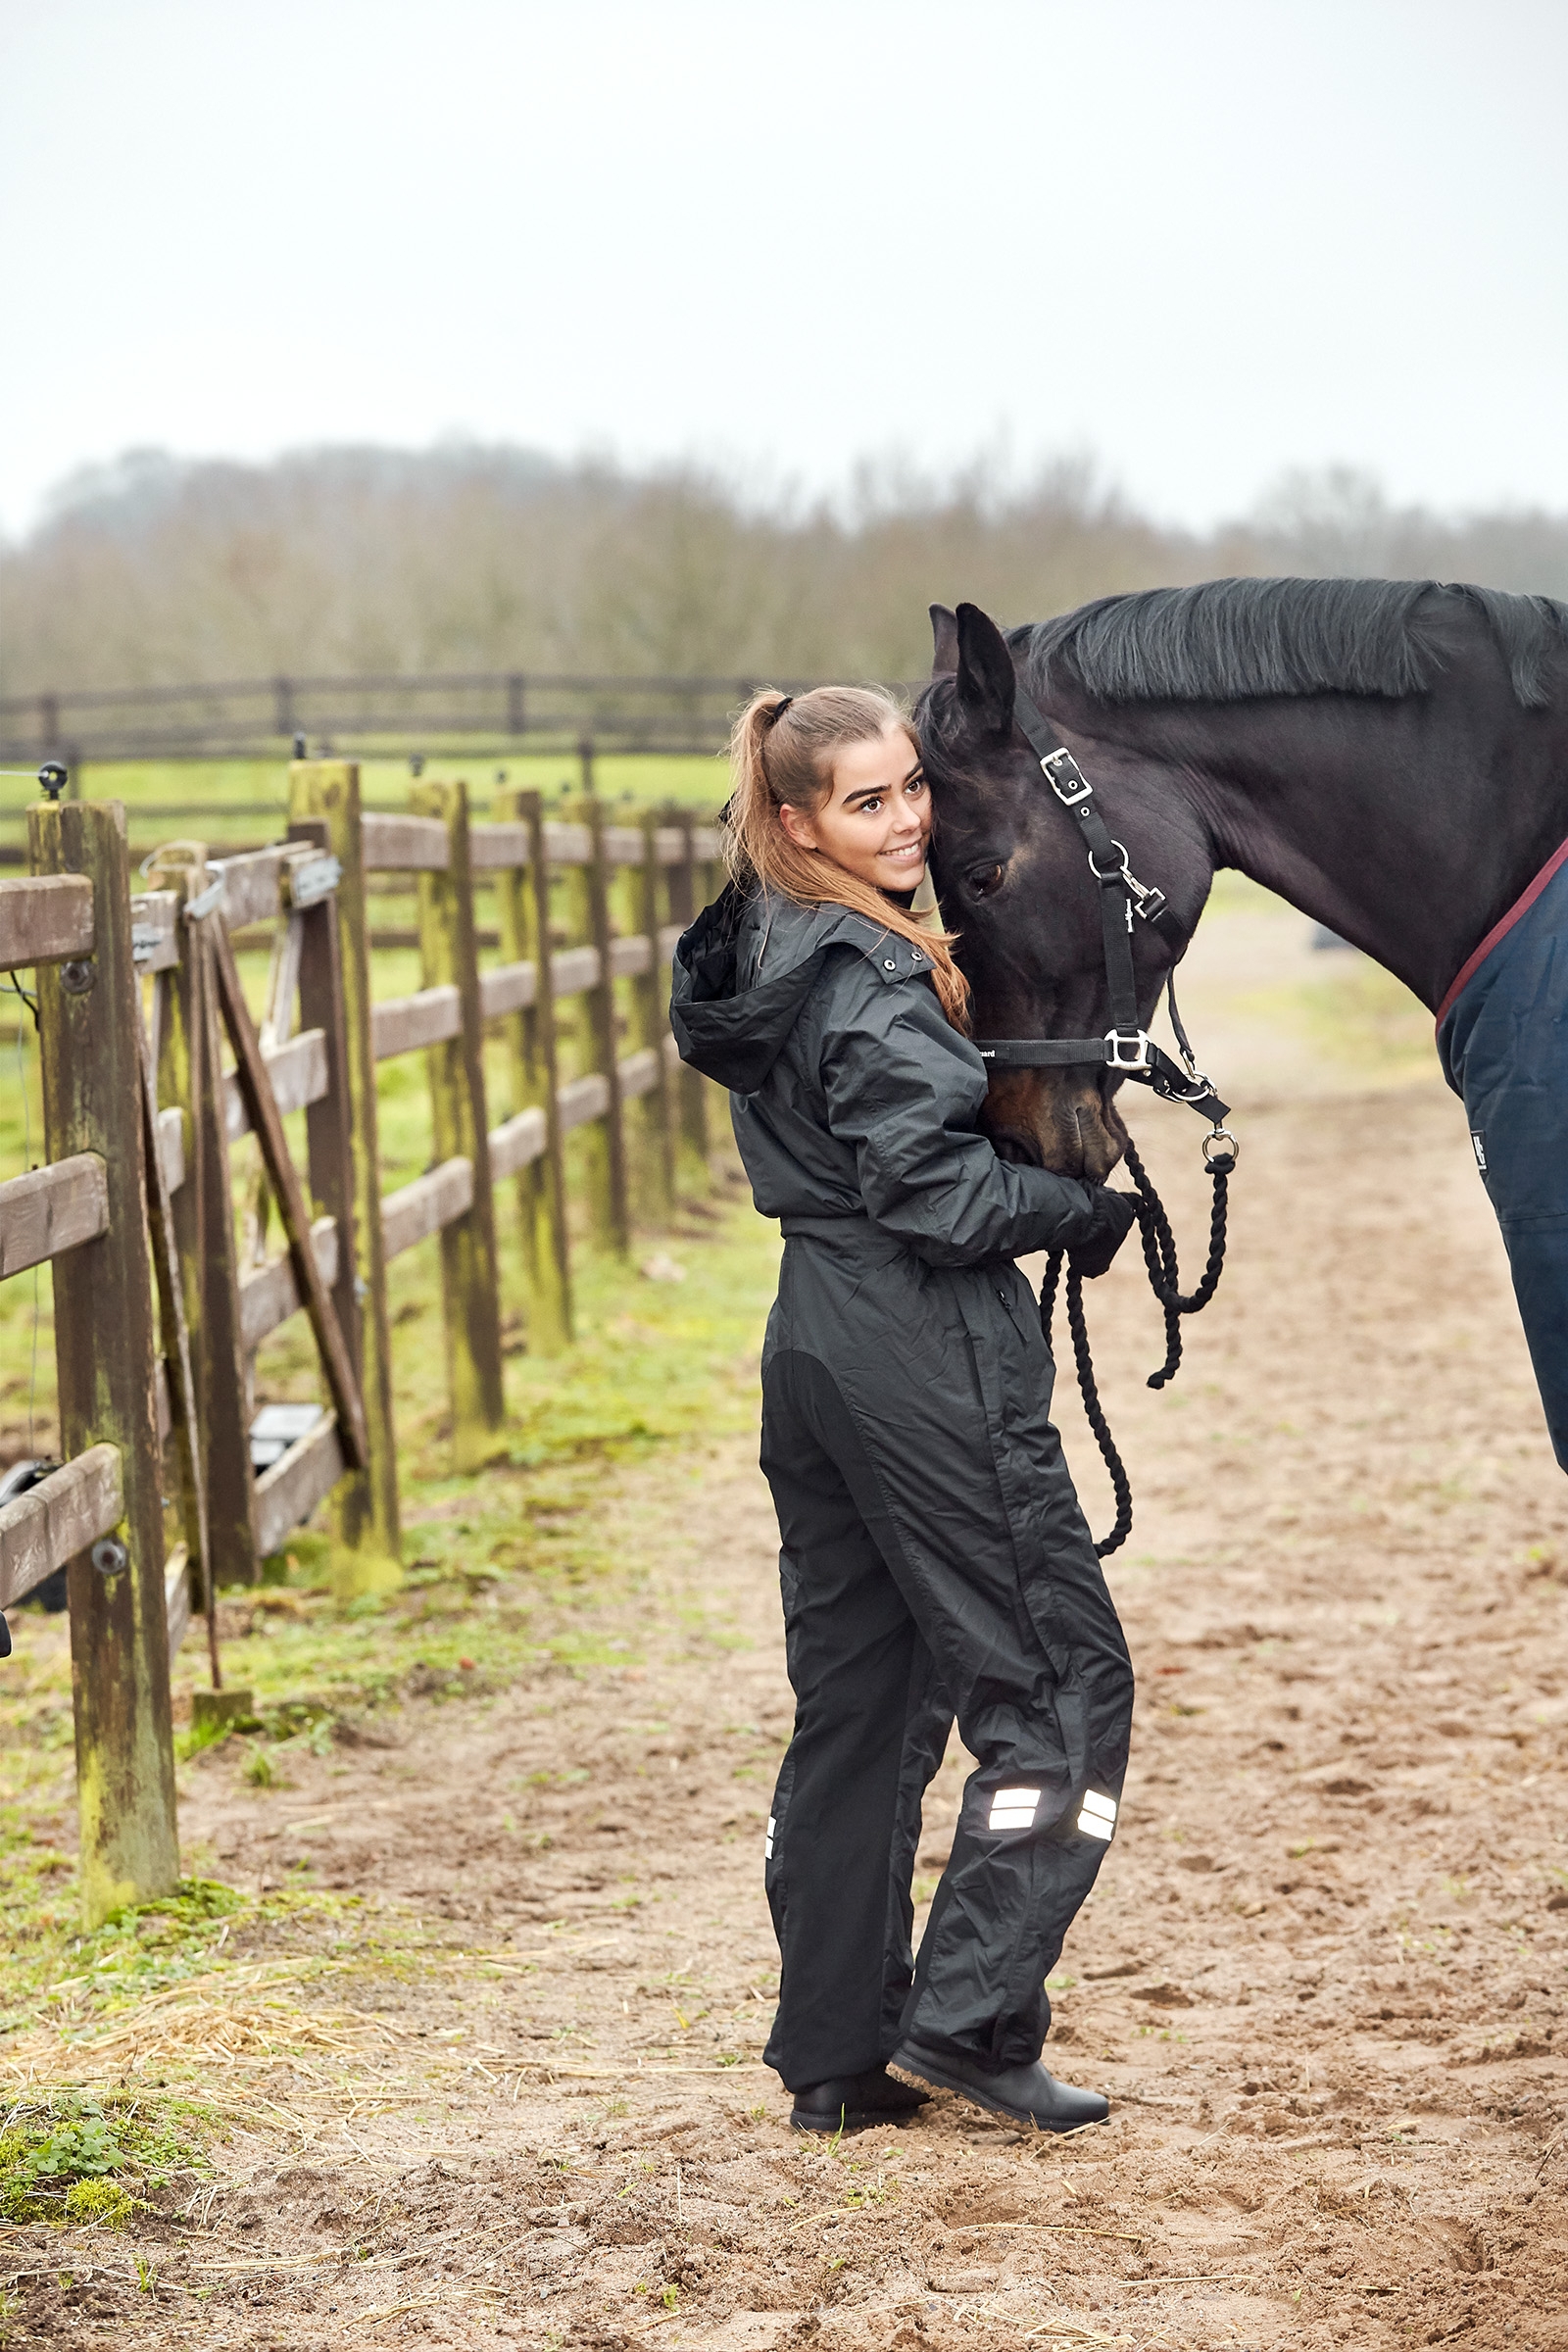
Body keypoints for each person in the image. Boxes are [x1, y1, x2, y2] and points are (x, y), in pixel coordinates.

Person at [670, 686, 1138, 2136]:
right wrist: (1075, 1208)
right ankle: (973, 2019)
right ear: (799, 818)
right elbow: (931, 1193)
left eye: (913, 790)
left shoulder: (761, 940)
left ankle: (836, 2056)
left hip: (813, 1342)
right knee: (1061, 1695)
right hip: (920, 1345)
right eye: (867, 803)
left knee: (861, 1709)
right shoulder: (870, 969)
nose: (909, 820)